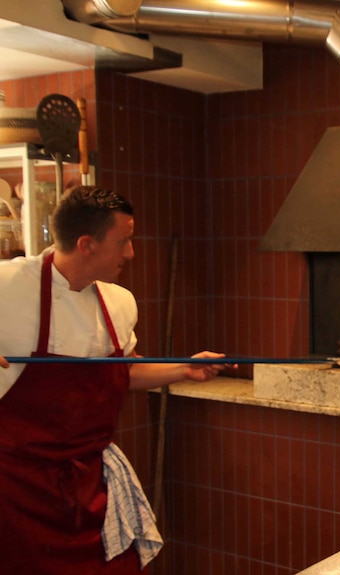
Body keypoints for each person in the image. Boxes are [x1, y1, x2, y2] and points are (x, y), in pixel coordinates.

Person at [0, 186, 233, 574]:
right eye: (124, 241)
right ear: (87, 244)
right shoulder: (7, 288)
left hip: (91, 490)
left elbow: (123, 373)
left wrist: (184, 369)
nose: (131, 253)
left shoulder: (119, 302)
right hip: (15, 495)